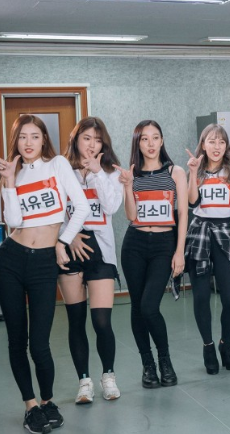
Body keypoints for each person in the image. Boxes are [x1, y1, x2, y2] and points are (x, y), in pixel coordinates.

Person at [0, 115, 89, 433]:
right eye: (23, 137)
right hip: (11, 260)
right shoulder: (14, 172)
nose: (28, 142)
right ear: (16, 140)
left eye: (35, 136)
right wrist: (9, 182)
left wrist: (63, 242)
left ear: (44, 139)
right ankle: (31, 406)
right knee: (17, 341)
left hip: (43, 263)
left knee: (40, 343)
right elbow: (13, 221)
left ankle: (48, 401)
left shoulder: (58, 165)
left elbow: (81, 208)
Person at [115, 120, 188, 388]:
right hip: (134, 244)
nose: (150, 143)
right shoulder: (132, 174)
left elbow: (183, 214)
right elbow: (131, 215)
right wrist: (127, 186)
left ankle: (165, 360)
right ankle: (148, 365)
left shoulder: (175, 172)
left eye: (155, 137)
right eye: (144, 139)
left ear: (162, 140)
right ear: (138, 143)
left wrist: (180, 251)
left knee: (149, 306)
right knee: (137, 307)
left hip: (163, 244)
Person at [57, 117, 123, 403]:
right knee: (75, 320)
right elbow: (55, 212)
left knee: (101, 320)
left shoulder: (110, 172)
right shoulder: (62, 171)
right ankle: (84, 381)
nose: (92, 145)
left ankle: (108, 376)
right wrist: (68, 236)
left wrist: (97, 173)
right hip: (70, 251)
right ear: (76, 140)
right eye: (86, 138)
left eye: (97, 139)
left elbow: (111, 207)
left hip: (102, 254)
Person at [185, 124, 230, 375]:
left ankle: (226, 344)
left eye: (221, 142)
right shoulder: (196, 169)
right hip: (200, 234)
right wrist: (193, 174)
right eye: (211, 141)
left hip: (226, 236)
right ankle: (208, 347)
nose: (217, 147)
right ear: (203, 144)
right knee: (201, 297)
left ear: (226, 146)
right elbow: (193, 202)